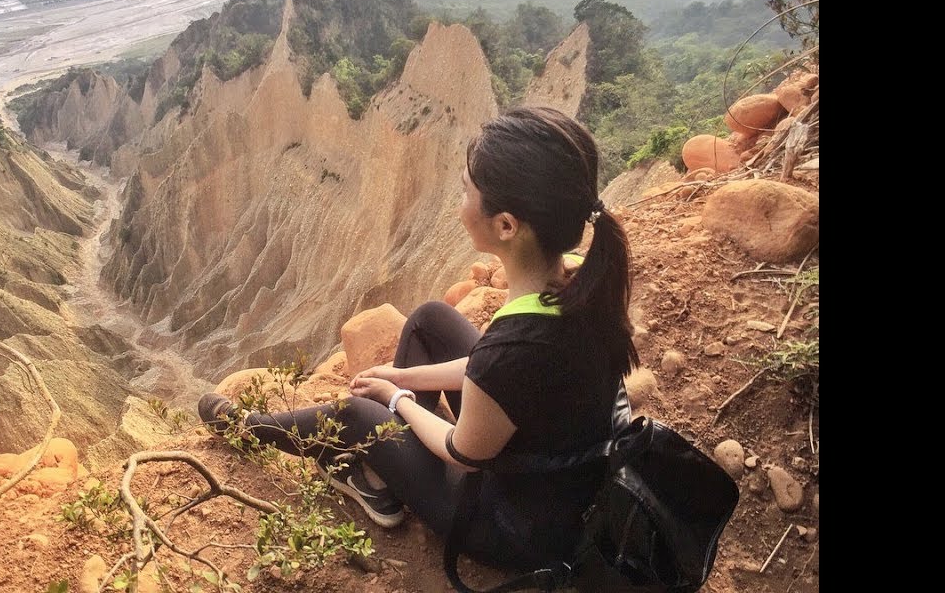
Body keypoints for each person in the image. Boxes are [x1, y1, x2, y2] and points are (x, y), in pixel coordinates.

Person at [197, 106, 639, 570]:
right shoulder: (577, 292)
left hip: (511, 528)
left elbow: (464, 453)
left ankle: (248, 429)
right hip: (559, 480)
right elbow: (497, 377)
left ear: (506, 225)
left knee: (354, 413)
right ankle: (381, 469)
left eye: (467, 192)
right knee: (431, 319)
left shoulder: (516, 348)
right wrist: (405, 373)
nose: (459, 204)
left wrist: (396, 398)